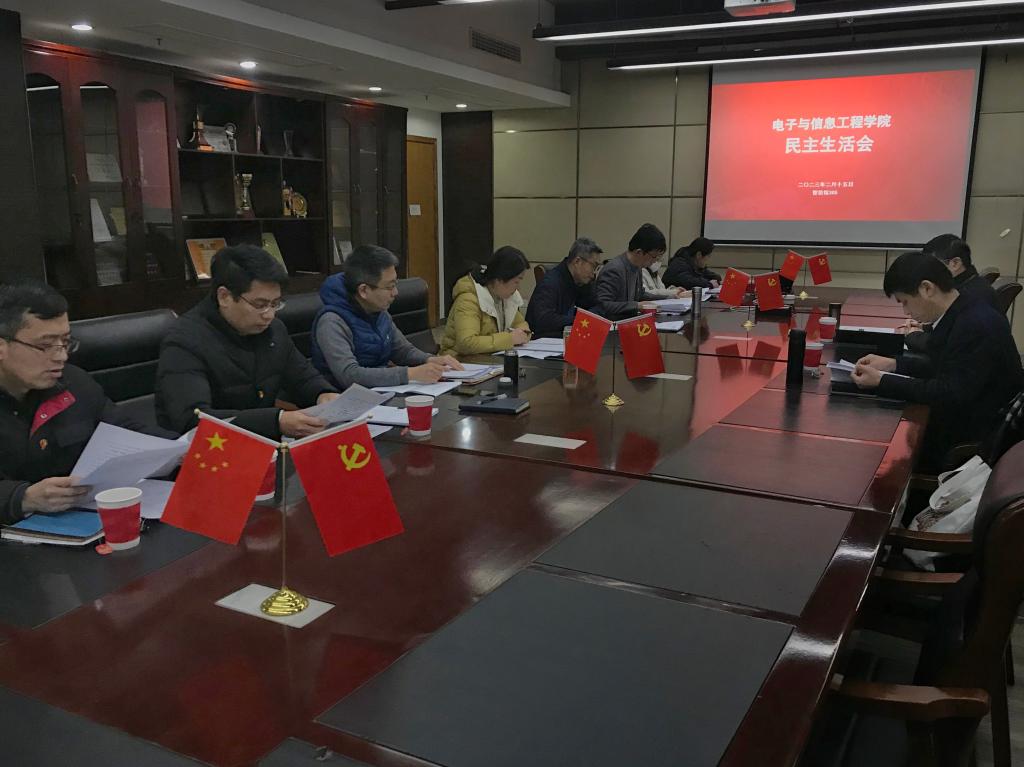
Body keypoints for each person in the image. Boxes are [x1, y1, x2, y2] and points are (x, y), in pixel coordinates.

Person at [0, 280, 162, 524]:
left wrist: (180, 448)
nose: (61, 356)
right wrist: (22, 498)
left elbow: (124, 430)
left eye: (65, 342)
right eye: (45, 345)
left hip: (81, 521)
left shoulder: (73, 382)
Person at [852, 251, 1023, 472]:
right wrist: (893, 365)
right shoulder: (963, 309)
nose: (906, 312)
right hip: (969, 419)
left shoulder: (974, 325)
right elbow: (944, 366)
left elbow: (948, 393)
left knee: (874, 451)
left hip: (971, 442)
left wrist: (882, 381)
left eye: (905, 302)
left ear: (927, 288)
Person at [156, 245, 339, 440]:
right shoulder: (185, 341)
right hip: (207, 451)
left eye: (275, 303)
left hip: (265, 444)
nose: (269, 315)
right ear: (224, 296)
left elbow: (302, 377)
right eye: (260, 305)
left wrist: (323, 394)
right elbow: (192, 419)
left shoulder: (273, 330)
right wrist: (275, 421)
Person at [311, 245, 462, 389]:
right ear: (363, 290)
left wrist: (430, 359)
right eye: (389, 287)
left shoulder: (378, 310)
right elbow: (349, 375)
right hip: (344, 398)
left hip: (381, 392)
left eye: (395, 284)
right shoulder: (332, 322)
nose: (395, 292)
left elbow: (402, 351)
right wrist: (410, 374)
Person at [439, 246, 531, 358]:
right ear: (499, 279)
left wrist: (523, 332)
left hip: (487, 359)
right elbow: (467, 343)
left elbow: (519, 323)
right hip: (458, 360)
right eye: (516, 282)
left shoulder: (504, 296)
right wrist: (509, 339)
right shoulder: (468, 300)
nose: (518, 288)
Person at [595, 224, 688, 320]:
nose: (655, 261)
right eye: (654, 257)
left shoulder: (637, 266)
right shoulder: (614, 269)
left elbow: (641, 295)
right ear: (639, 252)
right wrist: (637, 306)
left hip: (629, 321)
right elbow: (603, 305)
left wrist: (667, 298)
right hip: (614, 325)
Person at [525, 238, 602, 337]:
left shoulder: (583, 281)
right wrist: (581, 321)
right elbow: (544, 320)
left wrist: (586, 319)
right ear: (577, 261)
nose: (594, 273)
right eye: (593, 266)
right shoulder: (550, 283)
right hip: (545, 341)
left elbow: (598, 307)